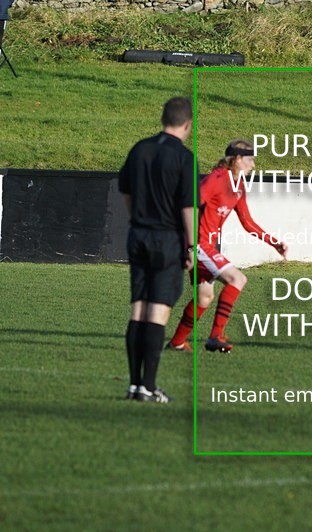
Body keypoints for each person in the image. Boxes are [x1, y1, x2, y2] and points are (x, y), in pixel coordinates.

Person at [167, 139, 287, 354]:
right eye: (250, 160)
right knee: (237, 279)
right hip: (199, 244)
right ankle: (216, 336)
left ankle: (176, 342)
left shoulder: (238, 186)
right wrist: (185, 243)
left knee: (205, 297)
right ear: (238, 159)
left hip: (206, 246)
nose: (253, 165)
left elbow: (248, 222)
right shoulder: (216, 179)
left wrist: (274, 242)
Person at [119, 97, 195, 403]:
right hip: (167, 239)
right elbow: (188, 206)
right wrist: (191, 245)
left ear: (163, 118)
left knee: (138, 308)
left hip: (138, 234)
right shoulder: (184, 158)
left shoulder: (140, 148)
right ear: (187, 124)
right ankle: (149, 386)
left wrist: (136, 217)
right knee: (158, 312)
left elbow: (125, 188)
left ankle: (135, 384)